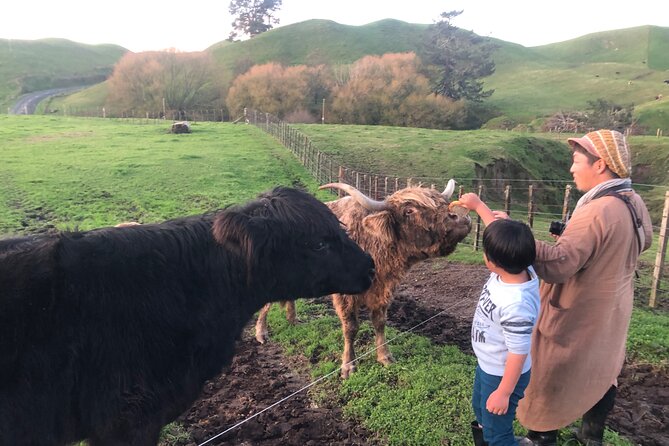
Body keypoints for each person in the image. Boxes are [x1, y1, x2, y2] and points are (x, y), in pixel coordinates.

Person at [470, 129, 653, 446]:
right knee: (600, 367)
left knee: (551, 377)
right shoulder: (631, 199)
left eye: (577, 160)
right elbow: (643, 240)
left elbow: (559, 264)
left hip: (576, 313)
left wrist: (512, 235)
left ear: (600, 165)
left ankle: (542, 436)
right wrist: (582, 243)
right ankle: (590, 435)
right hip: (610, 309)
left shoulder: (598, 209)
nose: (572, 168)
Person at [454, 195, 540, 446]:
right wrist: (479, 206)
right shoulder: (521, 267)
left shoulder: (517, 304)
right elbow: (500, 238)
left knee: (496, 432)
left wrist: (504, 392)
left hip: (503, 374)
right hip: (489, 364)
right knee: (482, 412)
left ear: (491, 261)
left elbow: (518, 352)